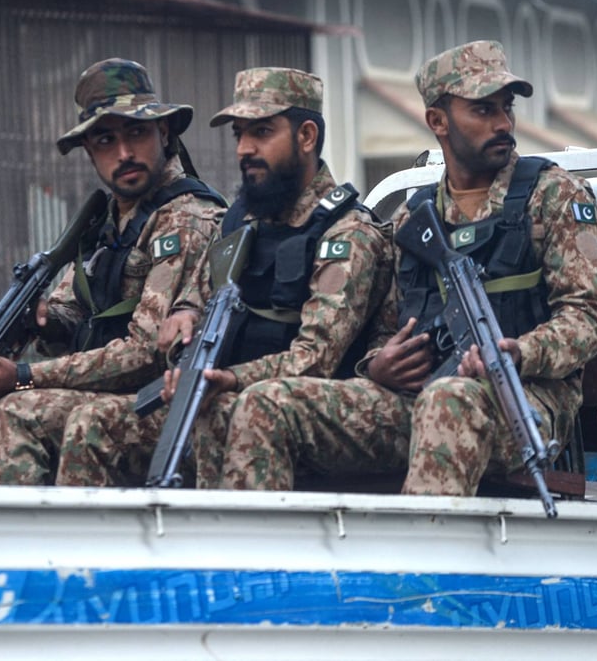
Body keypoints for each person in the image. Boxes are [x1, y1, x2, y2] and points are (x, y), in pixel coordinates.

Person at [212, 40, 597, 496]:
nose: (502, 123)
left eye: (506, 107)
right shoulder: (413, 221)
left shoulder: (554, 197)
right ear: (438, 122)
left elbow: (587, 317)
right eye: (482, 110)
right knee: (267, 402)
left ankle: (417, 565)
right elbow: (388, 327)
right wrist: (377, 365)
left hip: (523, 400)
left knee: (449, 401)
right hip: (418, 399)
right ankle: (260, 562)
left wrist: (519, 351)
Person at [53, 66, 393, 488]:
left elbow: (315, 359)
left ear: (306, 136)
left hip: (305, 413)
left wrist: (230, 379)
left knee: (237, 411)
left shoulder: (347, 234)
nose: (244, 150)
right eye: (239, 135)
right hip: (220, 394)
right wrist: (184, 315)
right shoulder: (239, 223)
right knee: (92, 423)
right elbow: (196, 295)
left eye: (262, 133)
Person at [0, 58, 225, 483]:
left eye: (136, 133)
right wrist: (45, 319)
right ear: (90, 151)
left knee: (19, 412)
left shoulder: (185, 218)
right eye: (106, 140)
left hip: (161, 409)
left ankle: (18, 548)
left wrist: (22, 376)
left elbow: (145, 353)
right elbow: (71, 309)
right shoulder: (110, 224)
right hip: (101, 399)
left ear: (163, 133)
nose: (124, 153)